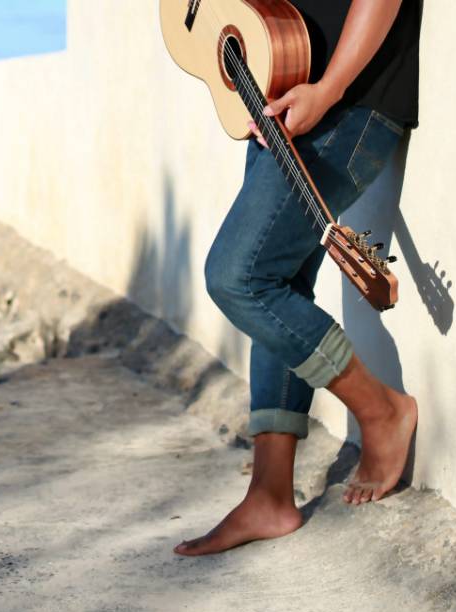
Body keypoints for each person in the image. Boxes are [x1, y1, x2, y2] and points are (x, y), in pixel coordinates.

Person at [174, 0, 422, 556]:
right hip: (274, 82)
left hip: (349, 101)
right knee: (277, 281)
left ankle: (381, 410)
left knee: (239, 277)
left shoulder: (338, 94)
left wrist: (329, 88)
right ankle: (270, 494)